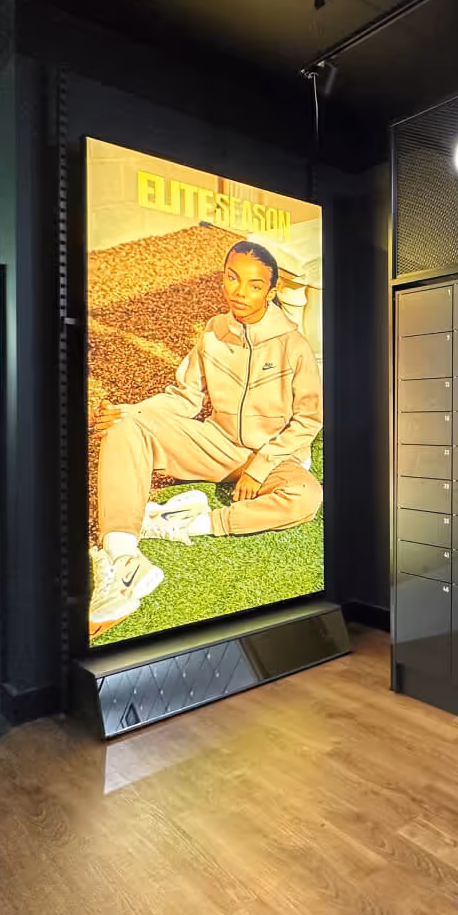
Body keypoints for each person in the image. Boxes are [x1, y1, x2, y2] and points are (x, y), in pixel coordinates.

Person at [88, 241, 323, 639]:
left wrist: (262, 466)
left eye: (253, 285)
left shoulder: (293, 346)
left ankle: (191, 522)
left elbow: (308, 419)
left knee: (306, 498)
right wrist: (132, 411)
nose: (239, 292)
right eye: (232, 278)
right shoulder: (213, 332)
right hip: (218, 444)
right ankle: (124, 558)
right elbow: (184, 397)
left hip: (275, 458)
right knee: (126, 429)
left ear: (270, 290)